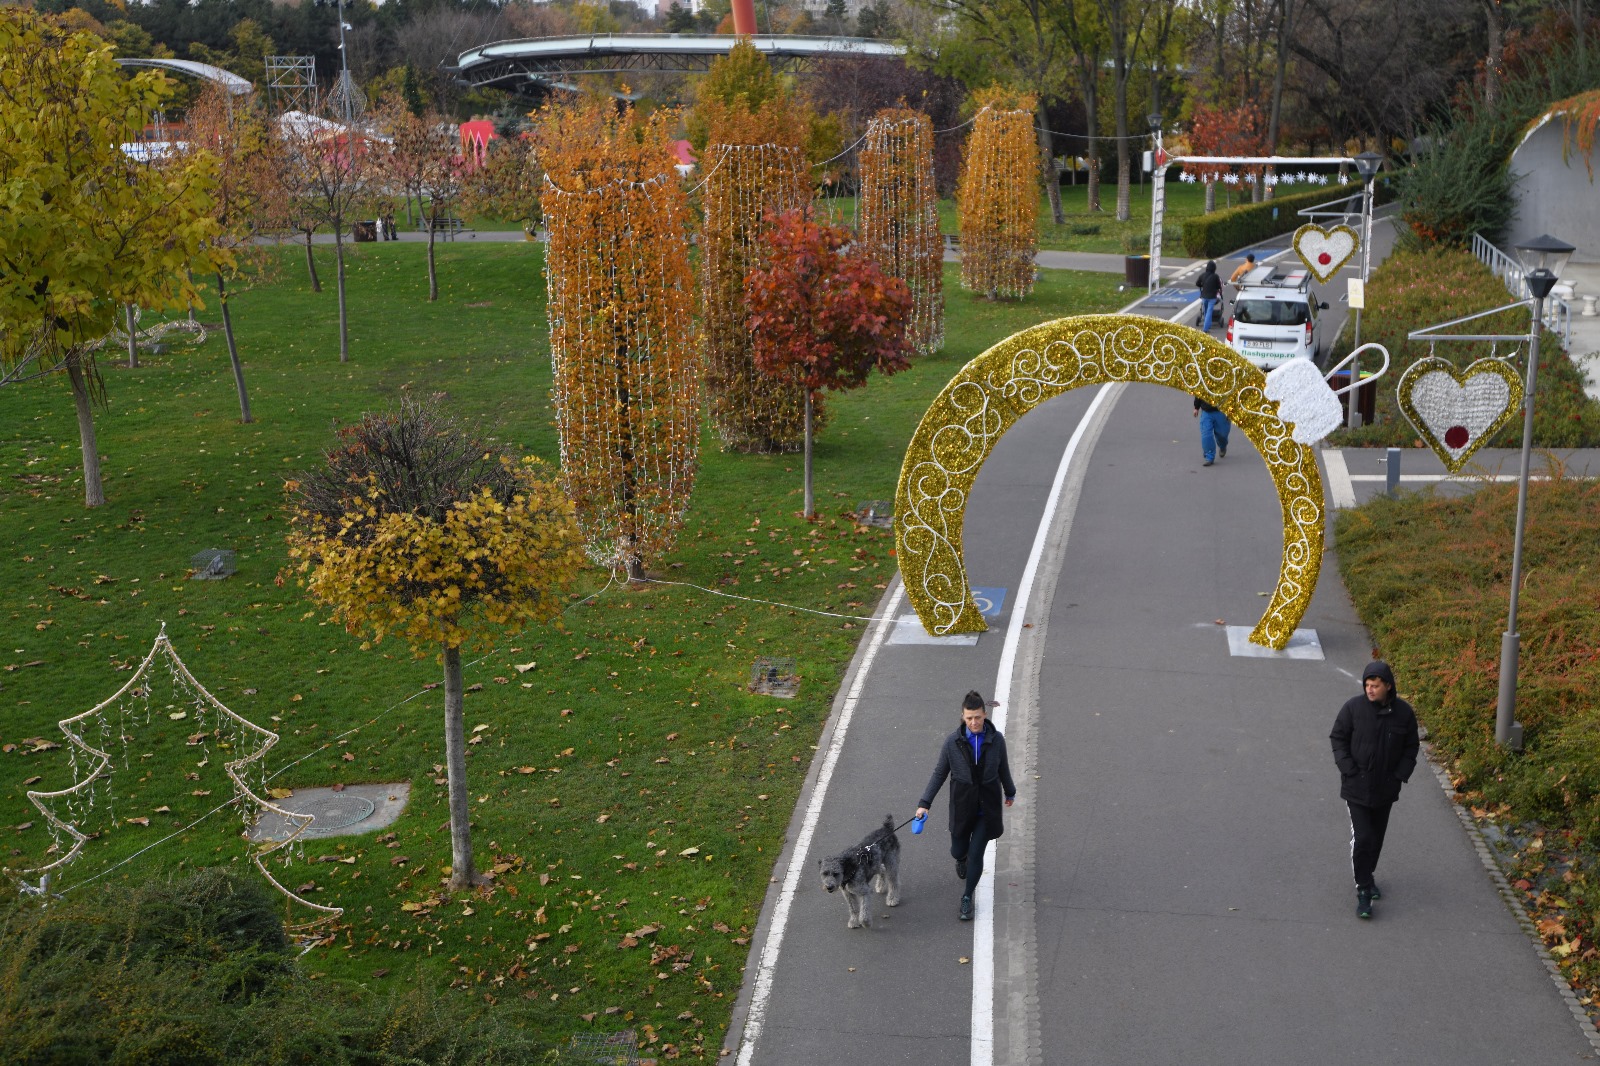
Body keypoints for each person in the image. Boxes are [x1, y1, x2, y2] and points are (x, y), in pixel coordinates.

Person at [1329, 660, 1420, 919]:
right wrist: (1347, 768)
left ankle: (1368, 876)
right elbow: (1338, 738)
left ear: (1388, 687)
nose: (1370, 690)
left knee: (1377, 839)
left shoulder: (1404, 714)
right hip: (1356, 787)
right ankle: (1363, 890)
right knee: (1364, 837)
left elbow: (1411, 747)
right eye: (1367, 685)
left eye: (1375, 685)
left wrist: (1400, 775)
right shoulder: (1353, 708)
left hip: (1385, 790)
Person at [915, 690, 1016, 922]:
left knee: (976, 852)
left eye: (978, 717)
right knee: (958, 850)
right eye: (969, 718)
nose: (974, 722)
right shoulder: (952, 742)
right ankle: (960, 860)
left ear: (985, 714)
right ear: (963, 716)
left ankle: (967, 897)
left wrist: (1010, 791)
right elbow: (940, 773)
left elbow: (1003, 768)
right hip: (962, 806)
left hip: (987, 809)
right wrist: (924, 803)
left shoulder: (997, 739)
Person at [1193, 396, 1230, 467]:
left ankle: (1222, 446)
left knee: (1222, 435)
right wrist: (1196, 407)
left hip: (1221, 411)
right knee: (1206, 435)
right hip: (1206, 412)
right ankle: (1209, 457)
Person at [1196, 260, 1223, 332]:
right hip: (1212, 297)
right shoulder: (1216, 276)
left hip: (1204, 296)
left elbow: (1197, 283)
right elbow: (1218, 286)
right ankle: (1205, 328)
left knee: (1205, 310)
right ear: (1214, 268)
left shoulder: (1202, 275)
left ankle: (1208, 324)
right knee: (1209, 311)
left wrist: (1202, 285)